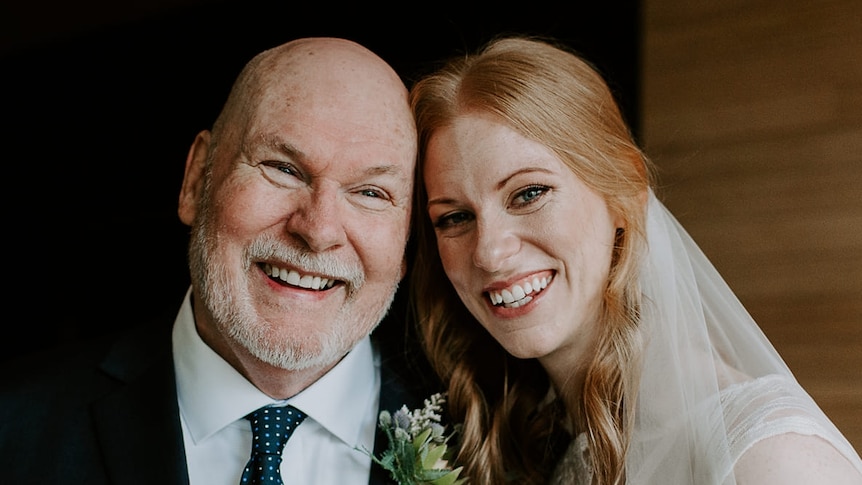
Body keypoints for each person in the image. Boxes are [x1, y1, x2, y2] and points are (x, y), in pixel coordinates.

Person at [408, 35, 862, 484]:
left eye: (529, 194)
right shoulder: (540, 439)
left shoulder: (768, 453)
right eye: (454, 218)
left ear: (623, 192)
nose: (489, 252)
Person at [0, 37, 439, 485]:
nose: (319, 229)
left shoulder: (496, 444)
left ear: (409, 239)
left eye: (371, 193)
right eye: (282, 168)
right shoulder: (13, 428)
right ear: (196, 180)